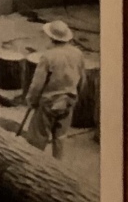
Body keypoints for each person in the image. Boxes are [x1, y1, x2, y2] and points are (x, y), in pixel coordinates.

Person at [24, 20, 86, 160]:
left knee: (38, 138)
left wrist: (31, 100)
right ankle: (57, 165)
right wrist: (75, 97)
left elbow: (37, 84)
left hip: (49, 102)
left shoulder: (48, 56)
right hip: (69, 99)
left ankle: (34, 164)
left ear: (51, 37)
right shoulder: (78, 53)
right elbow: (82, 79)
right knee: (60, 137)